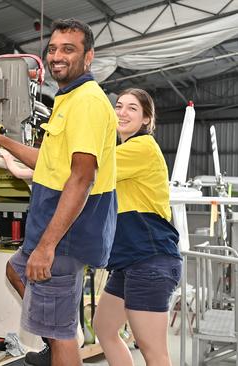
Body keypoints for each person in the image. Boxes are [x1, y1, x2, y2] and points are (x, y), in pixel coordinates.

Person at [0, 18, 118, 366]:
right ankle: (56, 333)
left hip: (64, 236)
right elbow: (50, 161)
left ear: (89, 57)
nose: (56, 56)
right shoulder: (68, 99)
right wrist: (2, 141)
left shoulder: (86, 102)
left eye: (68, 49)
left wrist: (47, 247)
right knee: (17, 269)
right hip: (51, 231)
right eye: (52, 49)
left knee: (63, 336)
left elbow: (81, 179)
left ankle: (60, 340)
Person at [93, 88, 181, 366]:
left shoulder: (141, 147)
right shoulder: (122, 151)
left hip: (149, 258)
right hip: (129, 260)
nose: (122, 112)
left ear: (146, 119)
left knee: (153, 351)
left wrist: (35, 166)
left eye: (132, 108)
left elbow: (90, 170)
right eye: (119, 106)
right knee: (105, 327)